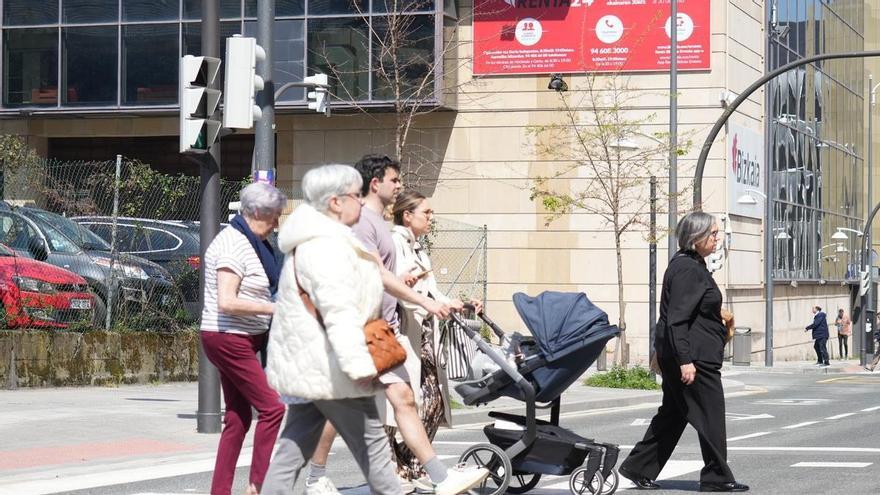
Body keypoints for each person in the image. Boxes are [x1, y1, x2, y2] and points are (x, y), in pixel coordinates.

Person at [303, 156, 488, 495]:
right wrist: (425, 300)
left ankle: (439, 477)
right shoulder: (362, 222)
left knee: (402, 399)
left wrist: (408, 287)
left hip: (378, 327)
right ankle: (316, 477)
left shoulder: (376, 224)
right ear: (375, 183)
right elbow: (376, 274)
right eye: (394, 180)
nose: (399, 186)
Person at [260, 164, 401, 495]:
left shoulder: (322, 241)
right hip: (335, 367)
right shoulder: (326, 246)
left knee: (292, 450)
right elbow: (338, 312)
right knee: (374, 448)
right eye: (355, 195)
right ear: (336, 202)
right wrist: (359, 366)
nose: (361, 202)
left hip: (318, 364)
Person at [619, 212, 748, 493]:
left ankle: (638, 467)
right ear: (696, 238)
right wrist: (685, 361)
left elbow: (681, 314)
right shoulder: (688, 269)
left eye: (717, 233)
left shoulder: (690, 264)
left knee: (674, 415)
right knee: (711, 416)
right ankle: (716, 478)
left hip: (686, 354)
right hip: (693, 359)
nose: (718, 238)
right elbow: (677, 319)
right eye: (713, 234)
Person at [199, 182, 288, 495]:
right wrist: (276, 308)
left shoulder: (252, 243)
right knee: (272, 409)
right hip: (228, 338)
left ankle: (220, 491)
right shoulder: (233, 245)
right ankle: (257, 486)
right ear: (258, 213)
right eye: (275, 216)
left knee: (238, 418)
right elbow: (227, 300)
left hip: (241, 338)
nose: (278, 223)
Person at [390, 190, 483, 479]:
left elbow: (433, 293)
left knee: (433, 400)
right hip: (403, 334)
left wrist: (459, 302)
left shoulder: (418, 248)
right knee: (407, 402)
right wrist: (434, 302)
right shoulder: (395, 243)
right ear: (407, 215)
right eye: (426, 212)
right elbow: (400, 289)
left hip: (425, 335)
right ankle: (403, 467)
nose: (431, 217)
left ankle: (409, 465)